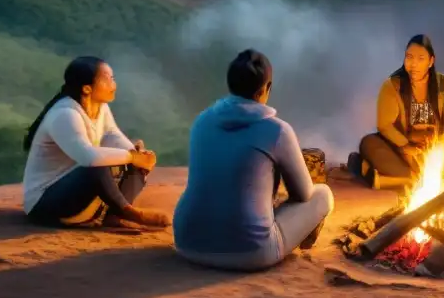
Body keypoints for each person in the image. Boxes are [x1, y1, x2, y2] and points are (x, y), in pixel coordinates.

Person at [173, 49, 334, 271]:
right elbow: (304, 194)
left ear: (230, 84)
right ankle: (299, 241)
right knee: (322, 194)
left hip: (187, 241)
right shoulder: (277, 130)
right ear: (266, 89)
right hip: (251, 252)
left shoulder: (202, 121)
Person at [21, 56, 170, 229]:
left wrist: (136, 154)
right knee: (97, 164)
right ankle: (128, 212)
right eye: (108, 80)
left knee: (135, 159)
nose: (114, 85)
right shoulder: (65, 114)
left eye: (113, 79)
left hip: (78, 201)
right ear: (86, 88)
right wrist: (131, 156)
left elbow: (111, 135)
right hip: (45, 205)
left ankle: (115, 217)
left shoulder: (101, 107)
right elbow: (87, 157)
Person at [353, 34, 444, 186]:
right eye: (409, 57)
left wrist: (439, 148)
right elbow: (385, 125)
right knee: (369, 143)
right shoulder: (392, 86)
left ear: (431, 61)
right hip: (403, 152)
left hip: (438, 152)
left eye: (420, 59)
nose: (413, 64)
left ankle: (406, 179)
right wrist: (406, 147)